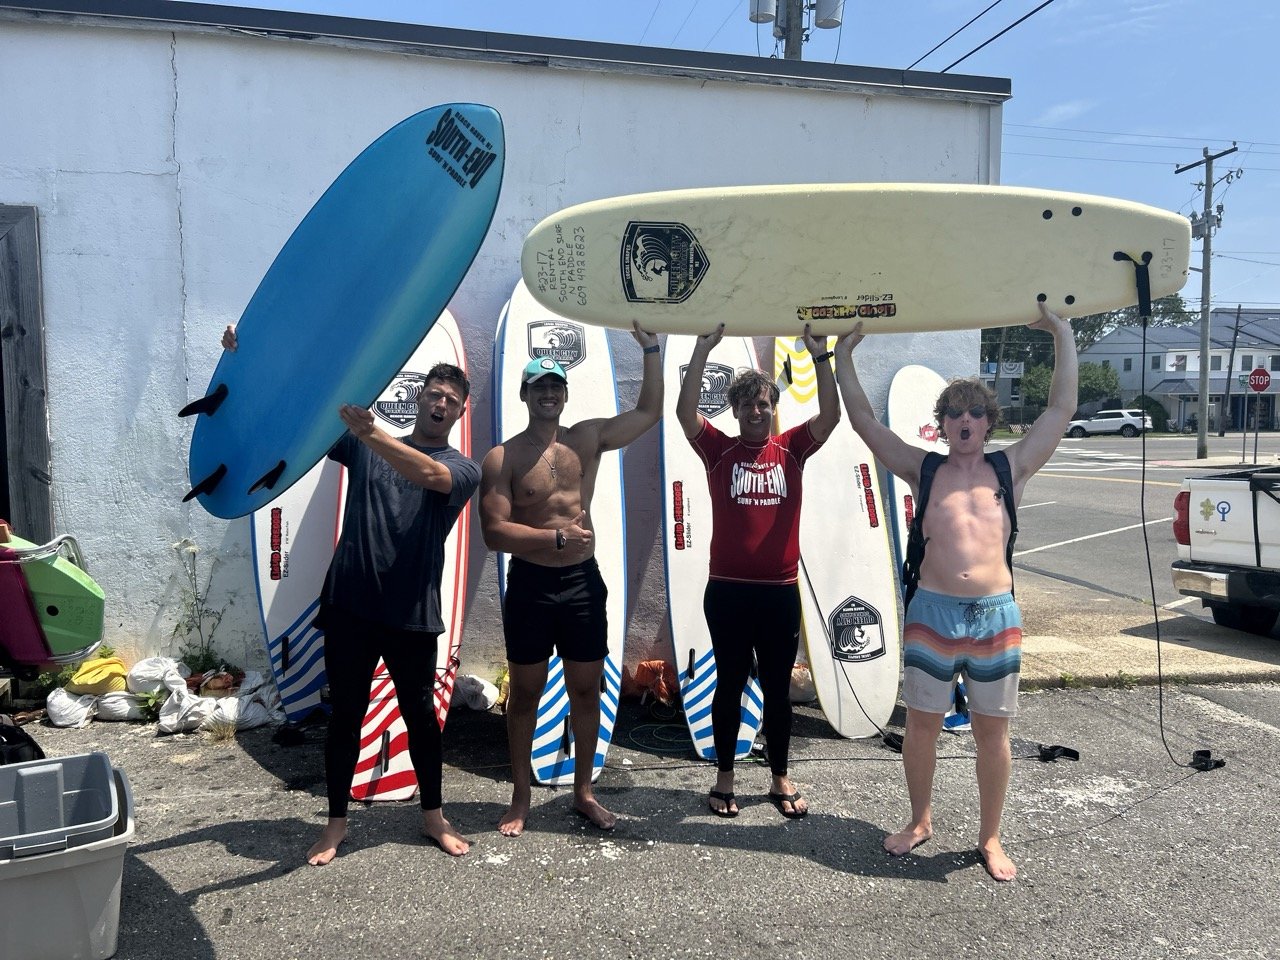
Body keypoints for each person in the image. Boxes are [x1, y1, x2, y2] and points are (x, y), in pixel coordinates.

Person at [832, 303, 1077, 881]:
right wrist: (842, 356)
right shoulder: (924, 470)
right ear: (940, 424)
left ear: (988, 421)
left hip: (995, 615)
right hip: (931, 612)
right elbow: (866, 422)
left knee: (993, 731)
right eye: (954, 414)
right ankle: (920, 819)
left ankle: (991, 837)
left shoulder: (1010, 467)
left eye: (974, 413)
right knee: (923, 723)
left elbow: (1061, 408)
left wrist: (1062, 333)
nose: (965, 421)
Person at [221, 326, 480, 864]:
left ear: (459, 414)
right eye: (434, 393)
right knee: (346, 718)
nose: (441, 403)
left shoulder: (461, 468)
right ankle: (335, 825)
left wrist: (372, 433)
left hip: (411, 615)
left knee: (421, 721)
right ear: (419, 397)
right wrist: (249, 360)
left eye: (452, 401)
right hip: (349, 607)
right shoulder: (365, 445)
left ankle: (434, 818)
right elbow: (300, 412)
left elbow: (427, 472)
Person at [479, 323, 662, 836]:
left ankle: (584, 791)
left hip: (582, 584)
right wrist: (553, 541)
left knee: (587, 690)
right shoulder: (504, 457)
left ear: (564, 393)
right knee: (527, 693)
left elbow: (648, 413)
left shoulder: (588, 438)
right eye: (539, 385)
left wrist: (649, 348)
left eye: (555, 385)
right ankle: (520, 798)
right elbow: (494, 532)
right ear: (525, 394)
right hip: (533, 587)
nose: (548, 393)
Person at [676, 324, 839, 819]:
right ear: (735, 411)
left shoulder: (791, 447)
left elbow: (831, 416)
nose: (754, 411)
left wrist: (821, 358)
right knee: (728, 684)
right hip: (726, 591)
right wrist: (702, 350)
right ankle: (724, 777)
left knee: (776, 688)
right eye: (745, 404)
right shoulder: (718, 450)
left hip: (778, 593)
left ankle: (779, 777)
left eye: (762, 403)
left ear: (772, 408)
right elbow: (685, 415)